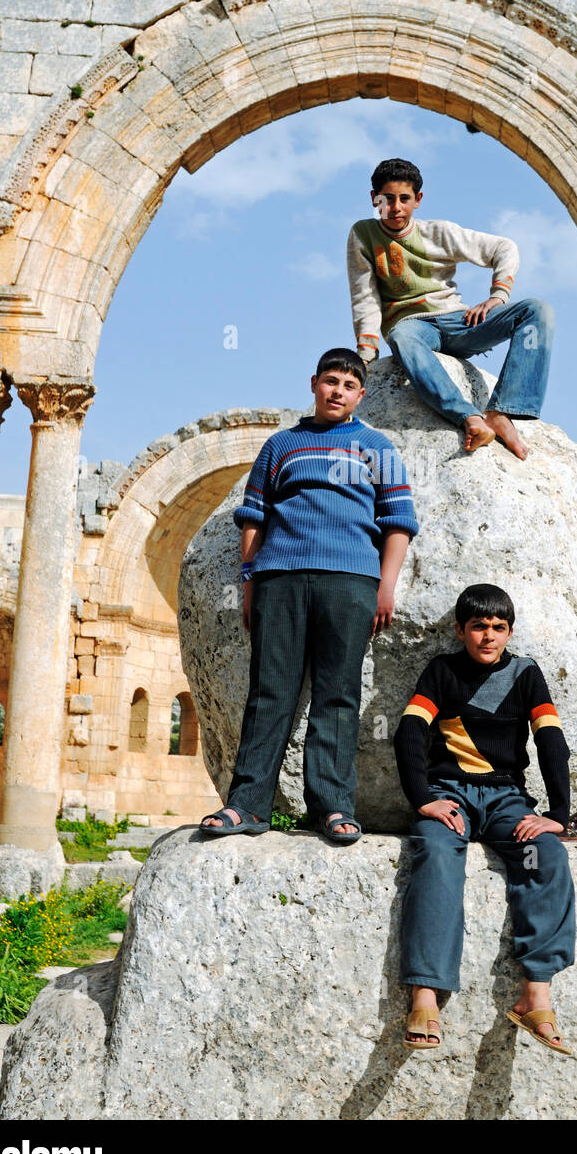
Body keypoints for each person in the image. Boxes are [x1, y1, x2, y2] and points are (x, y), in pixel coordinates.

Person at [199, 347, 418, 844]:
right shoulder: (280, 446)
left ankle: (333, 808)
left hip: (352, 582)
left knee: (338, 697)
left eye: (348, 385)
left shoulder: (378, 448)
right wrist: (250, 581)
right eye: (330, 381)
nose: (337, 392)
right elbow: (252, 519)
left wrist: (386, 586)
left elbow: (399, 523)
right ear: (314, 383)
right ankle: (247, 806)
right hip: (281, 578)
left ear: (361, 395)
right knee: (269, 693)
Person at [394, 583, 576, 1052]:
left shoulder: (525, 673)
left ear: (509, 632)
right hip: (448, 796)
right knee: (437, 855)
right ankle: (426, 995)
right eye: (478, 626)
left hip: (505, 801)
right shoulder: (442, 671)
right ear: (461, 630)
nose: (488, 636)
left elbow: (551, 741)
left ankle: (534, 992)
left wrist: (557, 814)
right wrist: (422, 800)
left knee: (543, 856)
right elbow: (410, 731)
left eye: (498, 627)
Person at [347, 158, 554, 461]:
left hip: (458, 321)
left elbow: (504, 248)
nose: (396, 207)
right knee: (401, 336)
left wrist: (498, 296)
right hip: (412, 325)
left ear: (418, 200)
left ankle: (503, 411)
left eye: (404, 199)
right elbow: (364, 295)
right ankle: (469, 417)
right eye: (387, 199)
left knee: (537, 311)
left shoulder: (439, 233)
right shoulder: (363, 234)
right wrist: (367, 354)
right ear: (374, 199)